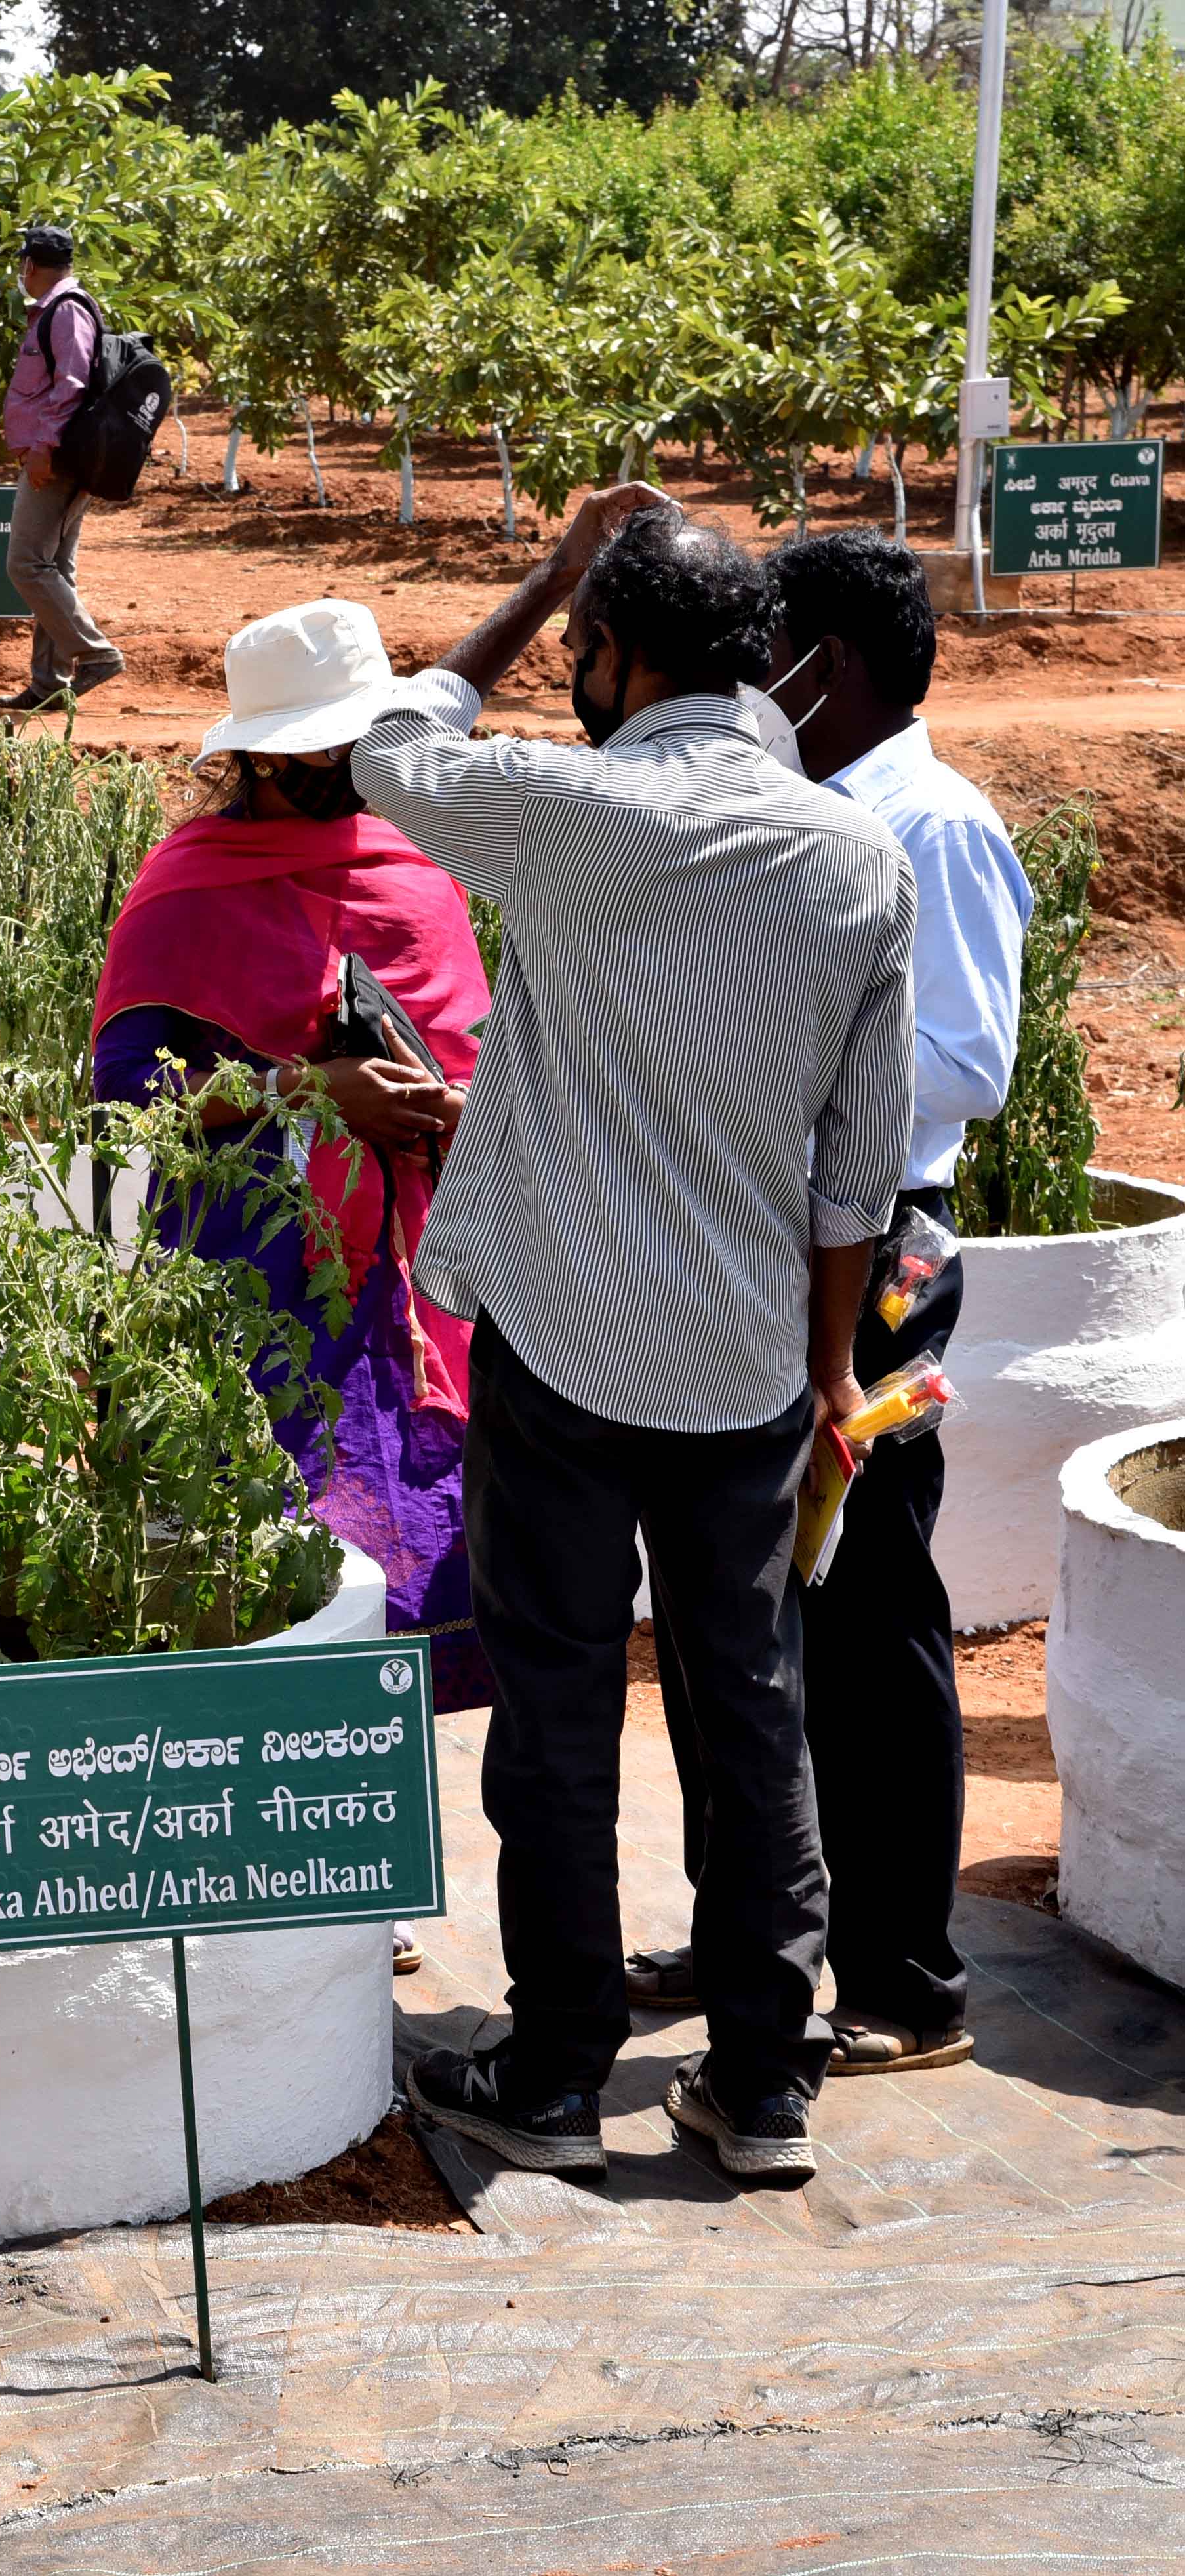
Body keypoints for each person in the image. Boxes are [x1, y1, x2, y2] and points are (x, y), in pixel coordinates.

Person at [363, 490, 915, 2192]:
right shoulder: (854, 863)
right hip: (745, 1361)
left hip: (559, 1341)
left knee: (552, 1713)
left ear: (615, 656)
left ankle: (550, 2062)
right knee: (743, 1704)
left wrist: (533, 578)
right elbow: (854, 1173)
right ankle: (759, 2081)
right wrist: (828, 1370)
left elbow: (392, 739)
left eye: (586, 643)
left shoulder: (563, 811)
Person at [627, 529, 1029, 2080]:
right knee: (731, 1606)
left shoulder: (927, 827)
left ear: (830, 669)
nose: (742, 684)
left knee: (863, 1619)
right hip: (758, 1243)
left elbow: (960, 1066)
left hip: (868, 1258)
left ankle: (900, 1979)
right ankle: (745, 1938)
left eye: (764, 650)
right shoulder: (801, 817)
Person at [91, 598, 491, 1717]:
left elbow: (476, 1050)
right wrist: (309, 1087)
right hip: (253, 1274)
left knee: (424, 1526)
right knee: (264, 1537)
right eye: (329, 745)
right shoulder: (188, 886)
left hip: (415, 1290)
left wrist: (453, 1107)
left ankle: (391, 1801)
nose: (349, 764)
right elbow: (125, 1095)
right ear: (266, 757)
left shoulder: (413, 871)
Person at [0, 222, 122, 713]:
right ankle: (50, 682)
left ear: (29, 265)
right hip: (60, 455)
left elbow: (70, 386)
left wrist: (44, 446)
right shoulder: (57, 310)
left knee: (25, 564)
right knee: (54, 568)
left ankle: (95, 653)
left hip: (58, 459)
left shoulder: (66, 311)